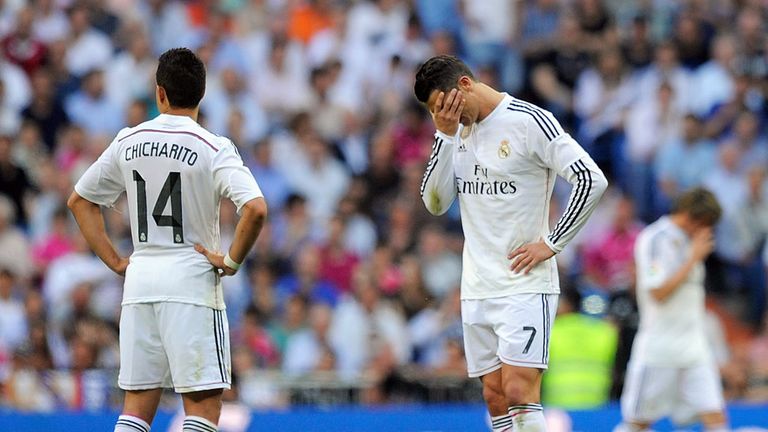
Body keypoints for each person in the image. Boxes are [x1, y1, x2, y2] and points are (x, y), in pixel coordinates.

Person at [67, 48, 267, 432]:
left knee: (137, 408)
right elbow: (256, 209)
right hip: (190, 282)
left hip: (141, 280)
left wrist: (116, 261)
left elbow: (79, 201)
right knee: (203, 407)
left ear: (159, 93)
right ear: (202, 95)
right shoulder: (213, 147)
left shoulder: (129, 140)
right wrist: (231, 261)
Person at [414, 55, 608, 432]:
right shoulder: (455, 133)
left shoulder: (530, 121)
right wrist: (444, 134)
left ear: (465, 85)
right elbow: (435, 204)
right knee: (495, 395)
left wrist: (551, 243)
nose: (445, 115)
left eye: (445, 105)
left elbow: (590, 179)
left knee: (519, 389)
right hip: (477, 285)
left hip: (524, 281)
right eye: (435, 112)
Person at [616, 188, 727, 432]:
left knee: (716, 417)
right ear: (693, 218)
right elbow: (658, 292)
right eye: (706, 224)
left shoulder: (690, 241)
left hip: (694, 347)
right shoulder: (655, 238)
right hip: (660, 347)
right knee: (638, 423)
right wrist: (693, 258)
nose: (707, 232)